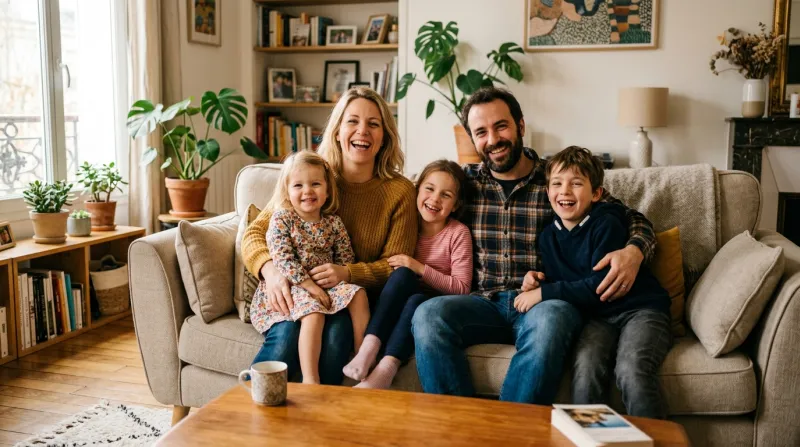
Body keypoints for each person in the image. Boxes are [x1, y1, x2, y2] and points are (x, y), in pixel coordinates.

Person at [411, 87, 657, 404]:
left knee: (552, 320)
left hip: (543, 302)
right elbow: (417, 204)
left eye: (501, 126)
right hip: (483, 303)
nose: (493, 139)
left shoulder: (558, 180)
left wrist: (635, 250)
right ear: (473, 139)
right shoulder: (464, 183)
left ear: (520, 127)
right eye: (481, 132)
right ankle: (461, 429)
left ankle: (512, 431)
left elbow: (632, 219)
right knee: (428, 315)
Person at [242, 87, 417, 384]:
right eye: (353, 121)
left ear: (384, 136)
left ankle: (321, 421)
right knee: (285, 336)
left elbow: (396, 266)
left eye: (374, 124)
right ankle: (250, 413)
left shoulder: (399, 191)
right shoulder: (310, 178)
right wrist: (271, 272)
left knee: (336, 342)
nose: (362, 131)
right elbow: (256, 233)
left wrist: (347, 273)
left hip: (345, 298)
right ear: (337, 131)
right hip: (293, 288)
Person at [516, 146, 671, 418]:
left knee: (631, 369)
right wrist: (536, 280)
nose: (565, 191)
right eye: (557, 183)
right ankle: (591, 438)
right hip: (598, 319)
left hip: (641, 310)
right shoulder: (548, 237)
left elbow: (599, 285)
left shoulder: (606, 223)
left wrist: (544, 293)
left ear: (596, 194)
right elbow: (565, 279)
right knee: (586, 368)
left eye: (576, 184)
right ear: (548, 191)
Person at [343, 159, 473, 389]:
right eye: (429, 189)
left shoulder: (458, 233)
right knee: (403, 275)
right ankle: (367, 351)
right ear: (417, 188)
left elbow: (462, 287)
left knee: (417, 299)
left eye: (446, 195)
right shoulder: (406, 222)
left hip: (434, 305)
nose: (434, 199)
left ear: (455, 205)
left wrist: (420, 268)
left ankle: (385, 370)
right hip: (396, 299)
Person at [250, 151, 371, 384]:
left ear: (327, 190)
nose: (307, 191)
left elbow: (345, 256)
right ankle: (310, 378)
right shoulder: (282, 218)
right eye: (298, 185)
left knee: (359, 294)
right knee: (313, 313)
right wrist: (309, 286)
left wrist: (340, 275)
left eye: (315, 184)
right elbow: (282, 258)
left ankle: (361, 355)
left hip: (325, 285)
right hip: (293, 284)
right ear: (287, 191)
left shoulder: (332, 222)